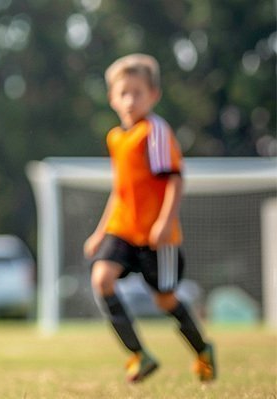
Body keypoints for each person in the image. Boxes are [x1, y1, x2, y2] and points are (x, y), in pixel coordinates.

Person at [84, 53, 215, 384]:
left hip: (157, 238)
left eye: (137, 92)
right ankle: (139, 355)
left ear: (153, 95)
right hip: (123, 230)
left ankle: (203, 350)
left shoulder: (154, 132)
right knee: (102, 279)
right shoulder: (116, 138)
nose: (130, 100)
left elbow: (174, 179)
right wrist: (101, 233)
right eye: (123, 93)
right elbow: (120, 191)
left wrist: (165, 222)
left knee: (165, 299)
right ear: (112, 98)